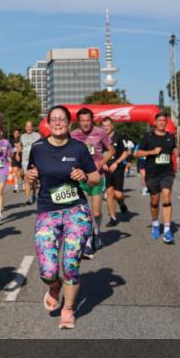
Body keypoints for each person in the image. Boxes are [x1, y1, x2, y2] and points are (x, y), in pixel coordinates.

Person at [26, 106, 100, 329]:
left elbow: (96, 179)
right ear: (48, 124)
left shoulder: (78, 148)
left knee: (70, 263)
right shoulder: (37, 148)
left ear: (69, 123)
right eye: (54, 119)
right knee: (48, 271)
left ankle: (68, 309)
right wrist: (29, 176)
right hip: (48, 211)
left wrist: (84, 176)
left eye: (62, 119)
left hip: (76, 211)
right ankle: (54, 285)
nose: (58, 123)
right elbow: (30, 174)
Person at [69, 108, 115, 258]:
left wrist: (101, 163)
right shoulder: (73, 135)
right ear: (78, 121)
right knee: (84, 211)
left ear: (92, 120)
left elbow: (111, 150)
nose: (85, 123)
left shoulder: (100, 132)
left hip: (96, 176)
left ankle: (96, 232)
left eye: (88, 120)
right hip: (80, 176)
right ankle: (88, 242)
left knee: (96, 212)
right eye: (82, 120)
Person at [135, 111, 178, 244]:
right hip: (152, 173)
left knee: (166, 195)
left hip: (167, 173)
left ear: (166, 122)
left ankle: (167, 230)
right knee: (155, 201)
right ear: (155, 122)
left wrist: (177, 151)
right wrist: (152, 152)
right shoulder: (148, 137)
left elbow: (174, 150)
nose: (161, 123)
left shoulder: (170, 137)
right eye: (159, 120)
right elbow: (137, 153)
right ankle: (155, 224)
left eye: (164, 121)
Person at [100, 116, 130, 226]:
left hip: (118, 168)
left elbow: (126, 152)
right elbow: (97, 153)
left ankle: (121, 202)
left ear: (112, 126)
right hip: (106, 169)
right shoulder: (100, 138)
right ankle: (113, 218)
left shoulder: (120, 137)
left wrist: (116, 162)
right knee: (109, 193)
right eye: (104, 126)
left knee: (118, 194)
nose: (106, 128)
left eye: (108, 125)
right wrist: (102, 163)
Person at [19, 120, 42, 206]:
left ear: (32, 127)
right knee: (26, 179)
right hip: (25, 160)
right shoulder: (22, 136)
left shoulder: (37, 136)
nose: (28, 128)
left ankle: (34, 194)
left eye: (30, 126)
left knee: (34, 180)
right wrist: (19, 157)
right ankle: (28, 198)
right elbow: (21, 148)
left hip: (35, 160)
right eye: (27, 126)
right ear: (25, 127)